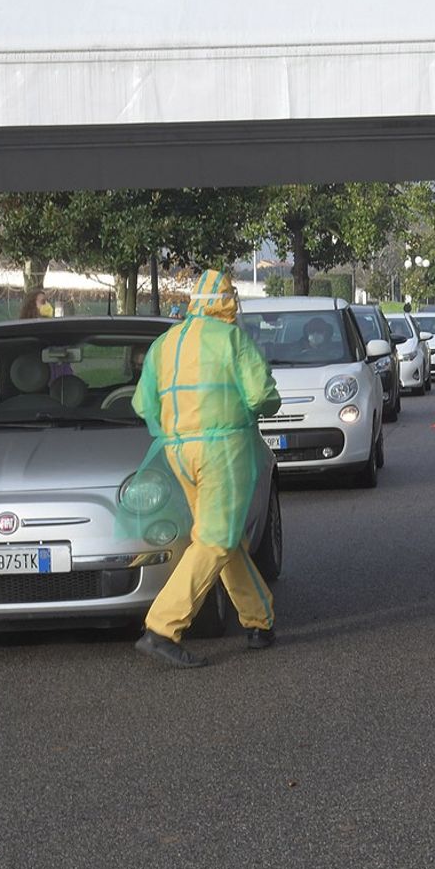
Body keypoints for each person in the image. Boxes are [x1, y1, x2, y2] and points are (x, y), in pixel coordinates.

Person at [131, 269, 281, 669]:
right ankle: (162, 628)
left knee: (222, 536)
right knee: (217, 538)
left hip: (178, 451)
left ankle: (259, 620)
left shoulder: (165, 343)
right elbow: (262, 396)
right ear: (227, 302)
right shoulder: (232, 339)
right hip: (224, 451)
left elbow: (142, 404)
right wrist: (262, 406)